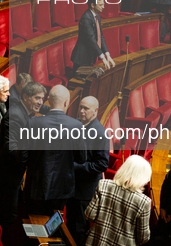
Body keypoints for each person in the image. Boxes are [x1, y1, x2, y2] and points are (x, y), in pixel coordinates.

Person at [0, 81, 46, 236]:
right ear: (25, 97)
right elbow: (11, 148)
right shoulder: (15, 116)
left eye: (42, 99)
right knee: (8, 216)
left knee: (12, 213)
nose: (40, 102)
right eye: (37, 98)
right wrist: (33, 160)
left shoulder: (22, 111)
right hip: (4, 176)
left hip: (10, 174)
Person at [22, 85, 87, 215]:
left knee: (31, 222)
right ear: (66, 102)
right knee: (53, 227)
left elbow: (23, 155)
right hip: (62, 188)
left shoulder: (33, 123)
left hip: (36, 185)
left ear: (49, 101)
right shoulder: (76, 126)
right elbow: (82, 158)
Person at [85, 154, 151, 246]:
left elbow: (89, 215)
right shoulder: (144, 202)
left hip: (97, 242)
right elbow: (143, 238)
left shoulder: (103, 185)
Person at [68, 96, 108, 246]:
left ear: (96, 111)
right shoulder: (76, 124)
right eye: (81, 107)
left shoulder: (100, 133)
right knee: (68, 223)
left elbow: (102, 164)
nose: (82, 111)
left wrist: (74, 167)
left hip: (84, 191)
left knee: (78, 229)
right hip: (70, 186)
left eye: (86, 108)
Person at [71, 0, 115, 71]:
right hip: (82, 59)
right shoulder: (86, 18)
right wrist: (102, 57)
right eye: (100, 5)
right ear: (92, 5)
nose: (103, 7)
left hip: (90, 56)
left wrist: (107, 55)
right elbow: (91, 40)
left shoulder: (97, 16)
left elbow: (100, 36)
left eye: (103, 4)